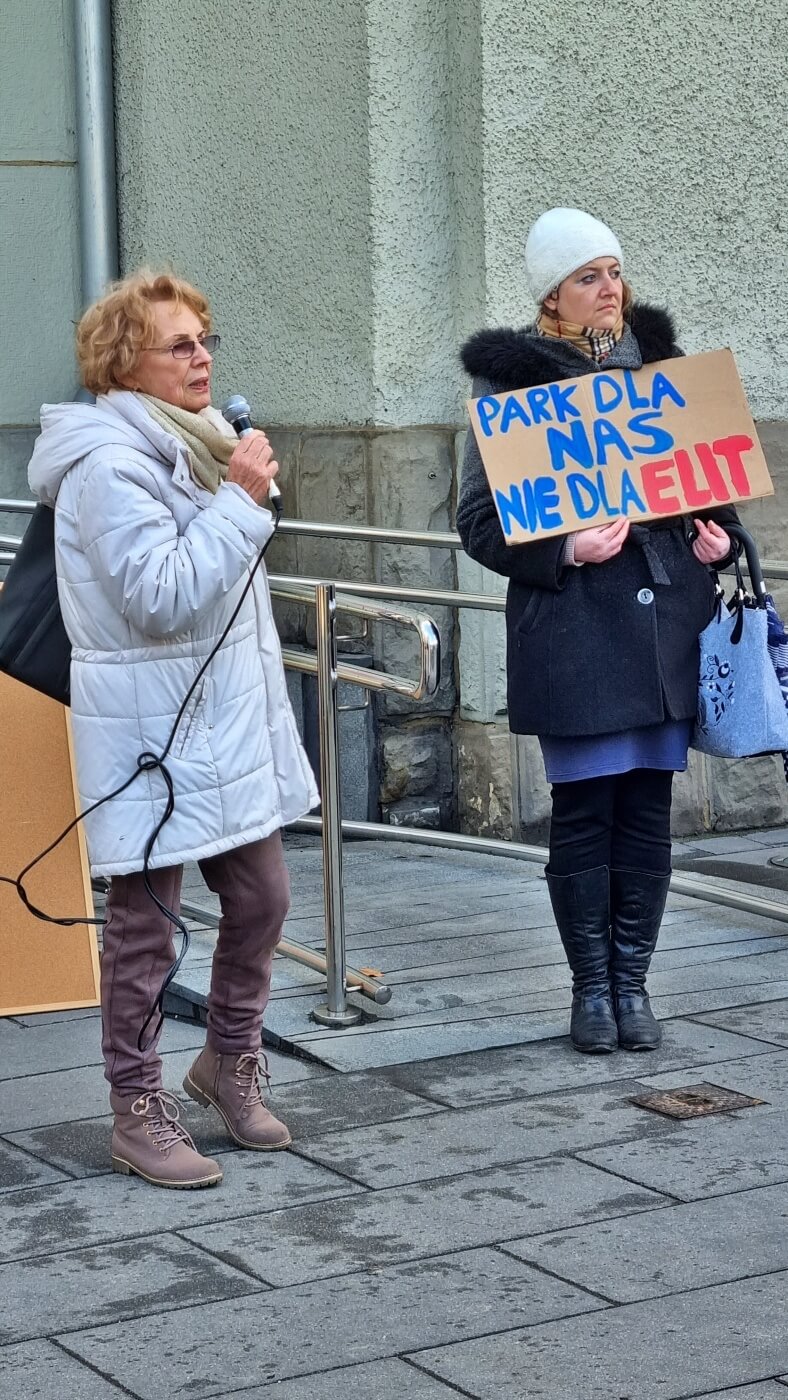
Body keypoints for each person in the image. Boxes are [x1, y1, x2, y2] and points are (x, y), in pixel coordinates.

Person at [28, 270, 319, 1187]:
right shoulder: (110, 466)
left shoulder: (197, 443)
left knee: (263, 897)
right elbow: (160, 597)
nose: (201, 357)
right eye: (179, 344)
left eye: (205, 340)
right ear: (125, 361)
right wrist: (240, 501)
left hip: (221, 726)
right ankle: (135, 1107)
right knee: (146, 927)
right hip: (150, 735)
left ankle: (227, 1061)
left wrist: (235, 490)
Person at [457, 208, 737, 1055]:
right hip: (575, 632)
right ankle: (590, 990)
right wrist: (564, 547)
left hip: (664, 627)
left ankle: (633, 985)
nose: (608, 289)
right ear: (553, 296)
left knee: (648, 809)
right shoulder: (508, 391)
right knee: (585, 812)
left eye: (613, 271)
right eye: (588, 277)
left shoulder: (664, 369)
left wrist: (718, 538)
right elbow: (477, 521)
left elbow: (702, 492)